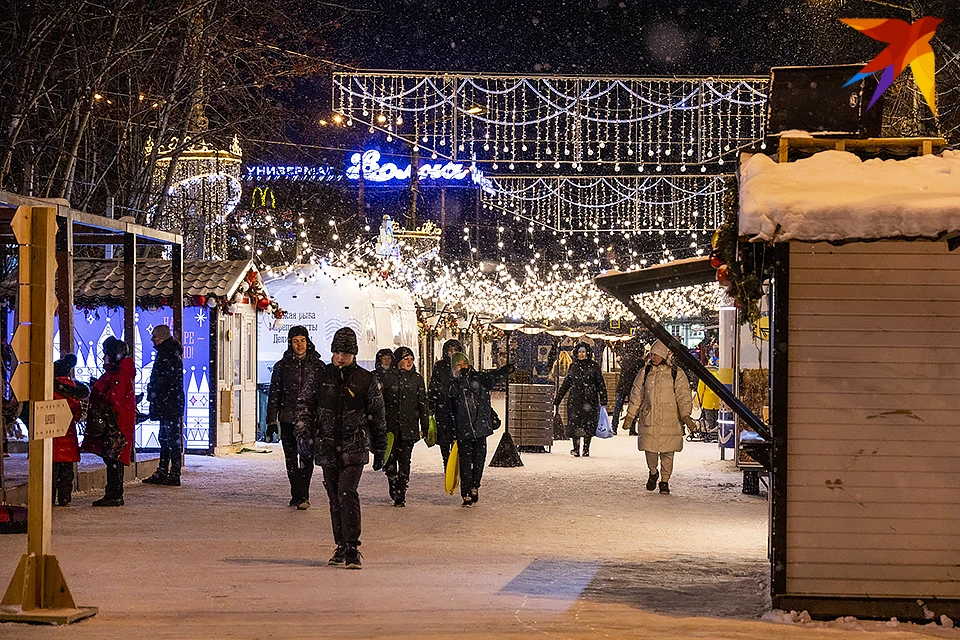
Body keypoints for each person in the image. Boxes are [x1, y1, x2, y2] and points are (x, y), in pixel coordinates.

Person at [298, 327, 386, 570]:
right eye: (337, 352)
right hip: (326, 446)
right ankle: (340, 544)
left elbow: (378, 417)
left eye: (345, 353)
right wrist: (304, 433)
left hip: (354, 446)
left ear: (354, 354)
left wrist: (380, 449)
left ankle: (352, 547)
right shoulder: (321, 376)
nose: (340, 357)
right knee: (334, 497)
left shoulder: (366, 380)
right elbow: (305, 405)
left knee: (347, 493)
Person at [623, 340, 693, 495]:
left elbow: (683, 396)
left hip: (670, 419)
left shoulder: (676, 373)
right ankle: (653, 471)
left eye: (656, 354)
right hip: (650, 417)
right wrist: (630, 415)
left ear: (663, 354)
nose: (652, 357)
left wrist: (686, 415)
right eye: (651, 354)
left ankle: (665, 481)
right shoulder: (645, 372)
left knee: (668, 453)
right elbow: (637, 394)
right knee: (650, 449)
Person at [266, 326, 324, 510]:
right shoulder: (282, 367)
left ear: (308, 341)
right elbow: (274, 394)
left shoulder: (318, 366)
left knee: (306, 458)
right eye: (295, 341)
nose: (299, 345)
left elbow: (324, 395)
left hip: (309, 420)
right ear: (290, 343)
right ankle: (296, 494)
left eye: (302, 340)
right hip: (288, 419)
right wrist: (271, 420)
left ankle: (303, 495)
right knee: (291, 459)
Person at [445, 353, 512, 507]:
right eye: (458, 364)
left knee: (479, 461)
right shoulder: (452, 385)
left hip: (480, 428)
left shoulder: (479, 379)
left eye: (464, 363)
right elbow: (449, 409)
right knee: (465, 463)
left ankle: (475, 485)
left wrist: (505, 370)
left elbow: (494, 376)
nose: (462, 366)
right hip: (463, 430)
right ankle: (466, 492)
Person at [83, 336, 136, 507]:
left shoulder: (119, 374)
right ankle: (114, 492)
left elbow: (114, 397)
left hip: (116, 422)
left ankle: (114, 493)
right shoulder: (118, 372)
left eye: (106, 354)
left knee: (114, 458)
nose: (104, 357)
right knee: (112, 457)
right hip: (117, 421)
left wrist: (98, 388)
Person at [380, 346, 428, 507]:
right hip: (391, 428)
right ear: (398, 361)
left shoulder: (416, 378)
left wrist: (425, 426)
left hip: (409, 428)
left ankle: (401, 489)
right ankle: (393, 483)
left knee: (405, 461)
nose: (409, 362)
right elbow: (381, 404)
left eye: (411, 359)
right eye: (405, 359)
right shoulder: (388, 378)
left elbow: (423, 404)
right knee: (390, 460)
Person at [141, 324, 185, 487]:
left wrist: (154, 389)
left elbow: (165, 379)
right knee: (166, 438)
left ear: (163, 337)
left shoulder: (168, 355)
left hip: (169, 403)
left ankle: (172, 472)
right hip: (169, 402)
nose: (152, 339)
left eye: (155, 336)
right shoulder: (169, 353)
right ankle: (165, 471)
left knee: (170, 439)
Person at [553, 342, 607, 458]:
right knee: (575, 424)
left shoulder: (594, 366)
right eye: (579, 352)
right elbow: (567, 383)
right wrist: (558, 399)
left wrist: (603, 399)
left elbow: (600, 383)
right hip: (575, 400)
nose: (581, 354)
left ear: (587, 353)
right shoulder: (573, 366)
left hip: (590, 400)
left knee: (588, 425)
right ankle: (576, 448)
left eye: (583, 352)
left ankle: (586, 449)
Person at [52, 354, 89, 507]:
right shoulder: (75, 389)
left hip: (52, 435)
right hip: (68, 434)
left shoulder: (48, 388)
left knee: (52, 471)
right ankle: (65, 497)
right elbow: (77, 412)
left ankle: (49, 497)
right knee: (67, 471)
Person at [428, 339, 463, 469]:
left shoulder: (462, 365)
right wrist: (431, 404)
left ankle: (456, 461)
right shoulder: (440, 366)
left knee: (458, 436)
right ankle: (446, 461)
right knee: (444, 437)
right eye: (450, 350)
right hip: (443, 407)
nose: (452, 353)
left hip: (459, 408)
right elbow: (433, 385)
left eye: (455, 350)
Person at [612, 338, 647, 436]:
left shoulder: (626, 359)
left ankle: (614, 427)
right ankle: (631, 428)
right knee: (633, 408)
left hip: (622, 386)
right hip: (632, 387)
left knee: (617, 408)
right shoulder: (640, 362)